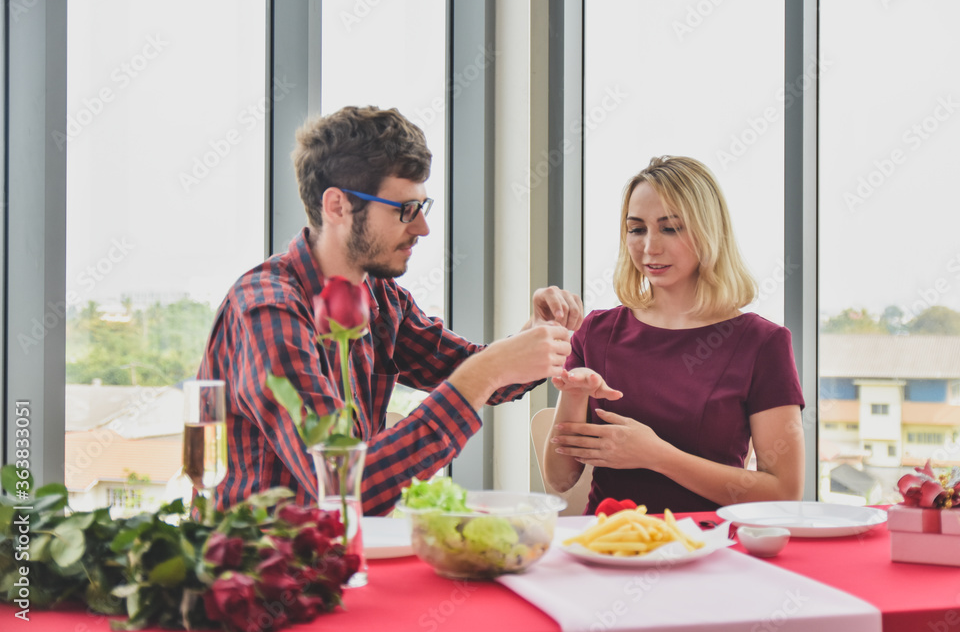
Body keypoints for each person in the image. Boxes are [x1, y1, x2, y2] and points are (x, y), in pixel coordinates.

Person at [198, 106, 582, 515]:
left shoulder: (380, 296)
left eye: (422, 207)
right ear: (337, 207)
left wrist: (532, 337)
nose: (422, 228)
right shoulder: (268, 311)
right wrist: (485, 372)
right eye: (404, 210)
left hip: (345, 552)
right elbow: (342, 487)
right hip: (264, 562)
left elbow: (474, 371)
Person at [542, 155, 805, 515]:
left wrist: (657, 456)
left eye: (671, 228)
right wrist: (574, 395)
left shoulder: (763, 343)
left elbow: (784, 493)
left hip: (709, 551)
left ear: (708, 232)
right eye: (636, 229)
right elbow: (559, 481)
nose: (650, 247)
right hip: (608, 550)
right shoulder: (597, 332)